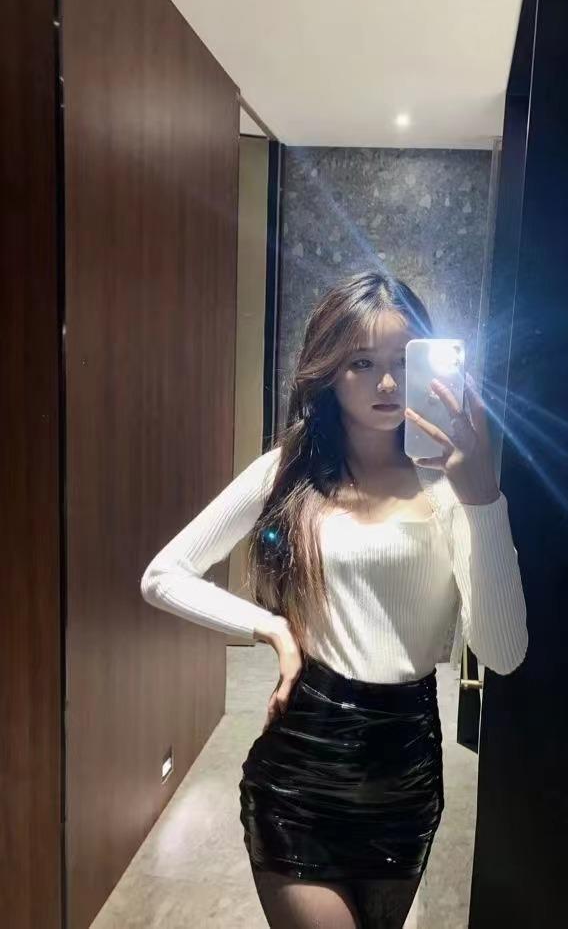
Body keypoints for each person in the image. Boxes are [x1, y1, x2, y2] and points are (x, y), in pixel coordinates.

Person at [140, 270, 528, 929]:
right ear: (328, 373)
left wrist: (483, 497)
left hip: (405, 777)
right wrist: (271, 628)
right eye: (362, 363)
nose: (387, 383)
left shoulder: (452, 489)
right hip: (300, 770)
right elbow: (164, 574)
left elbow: (504, 652)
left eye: (403, 361)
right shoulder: (289, 472)